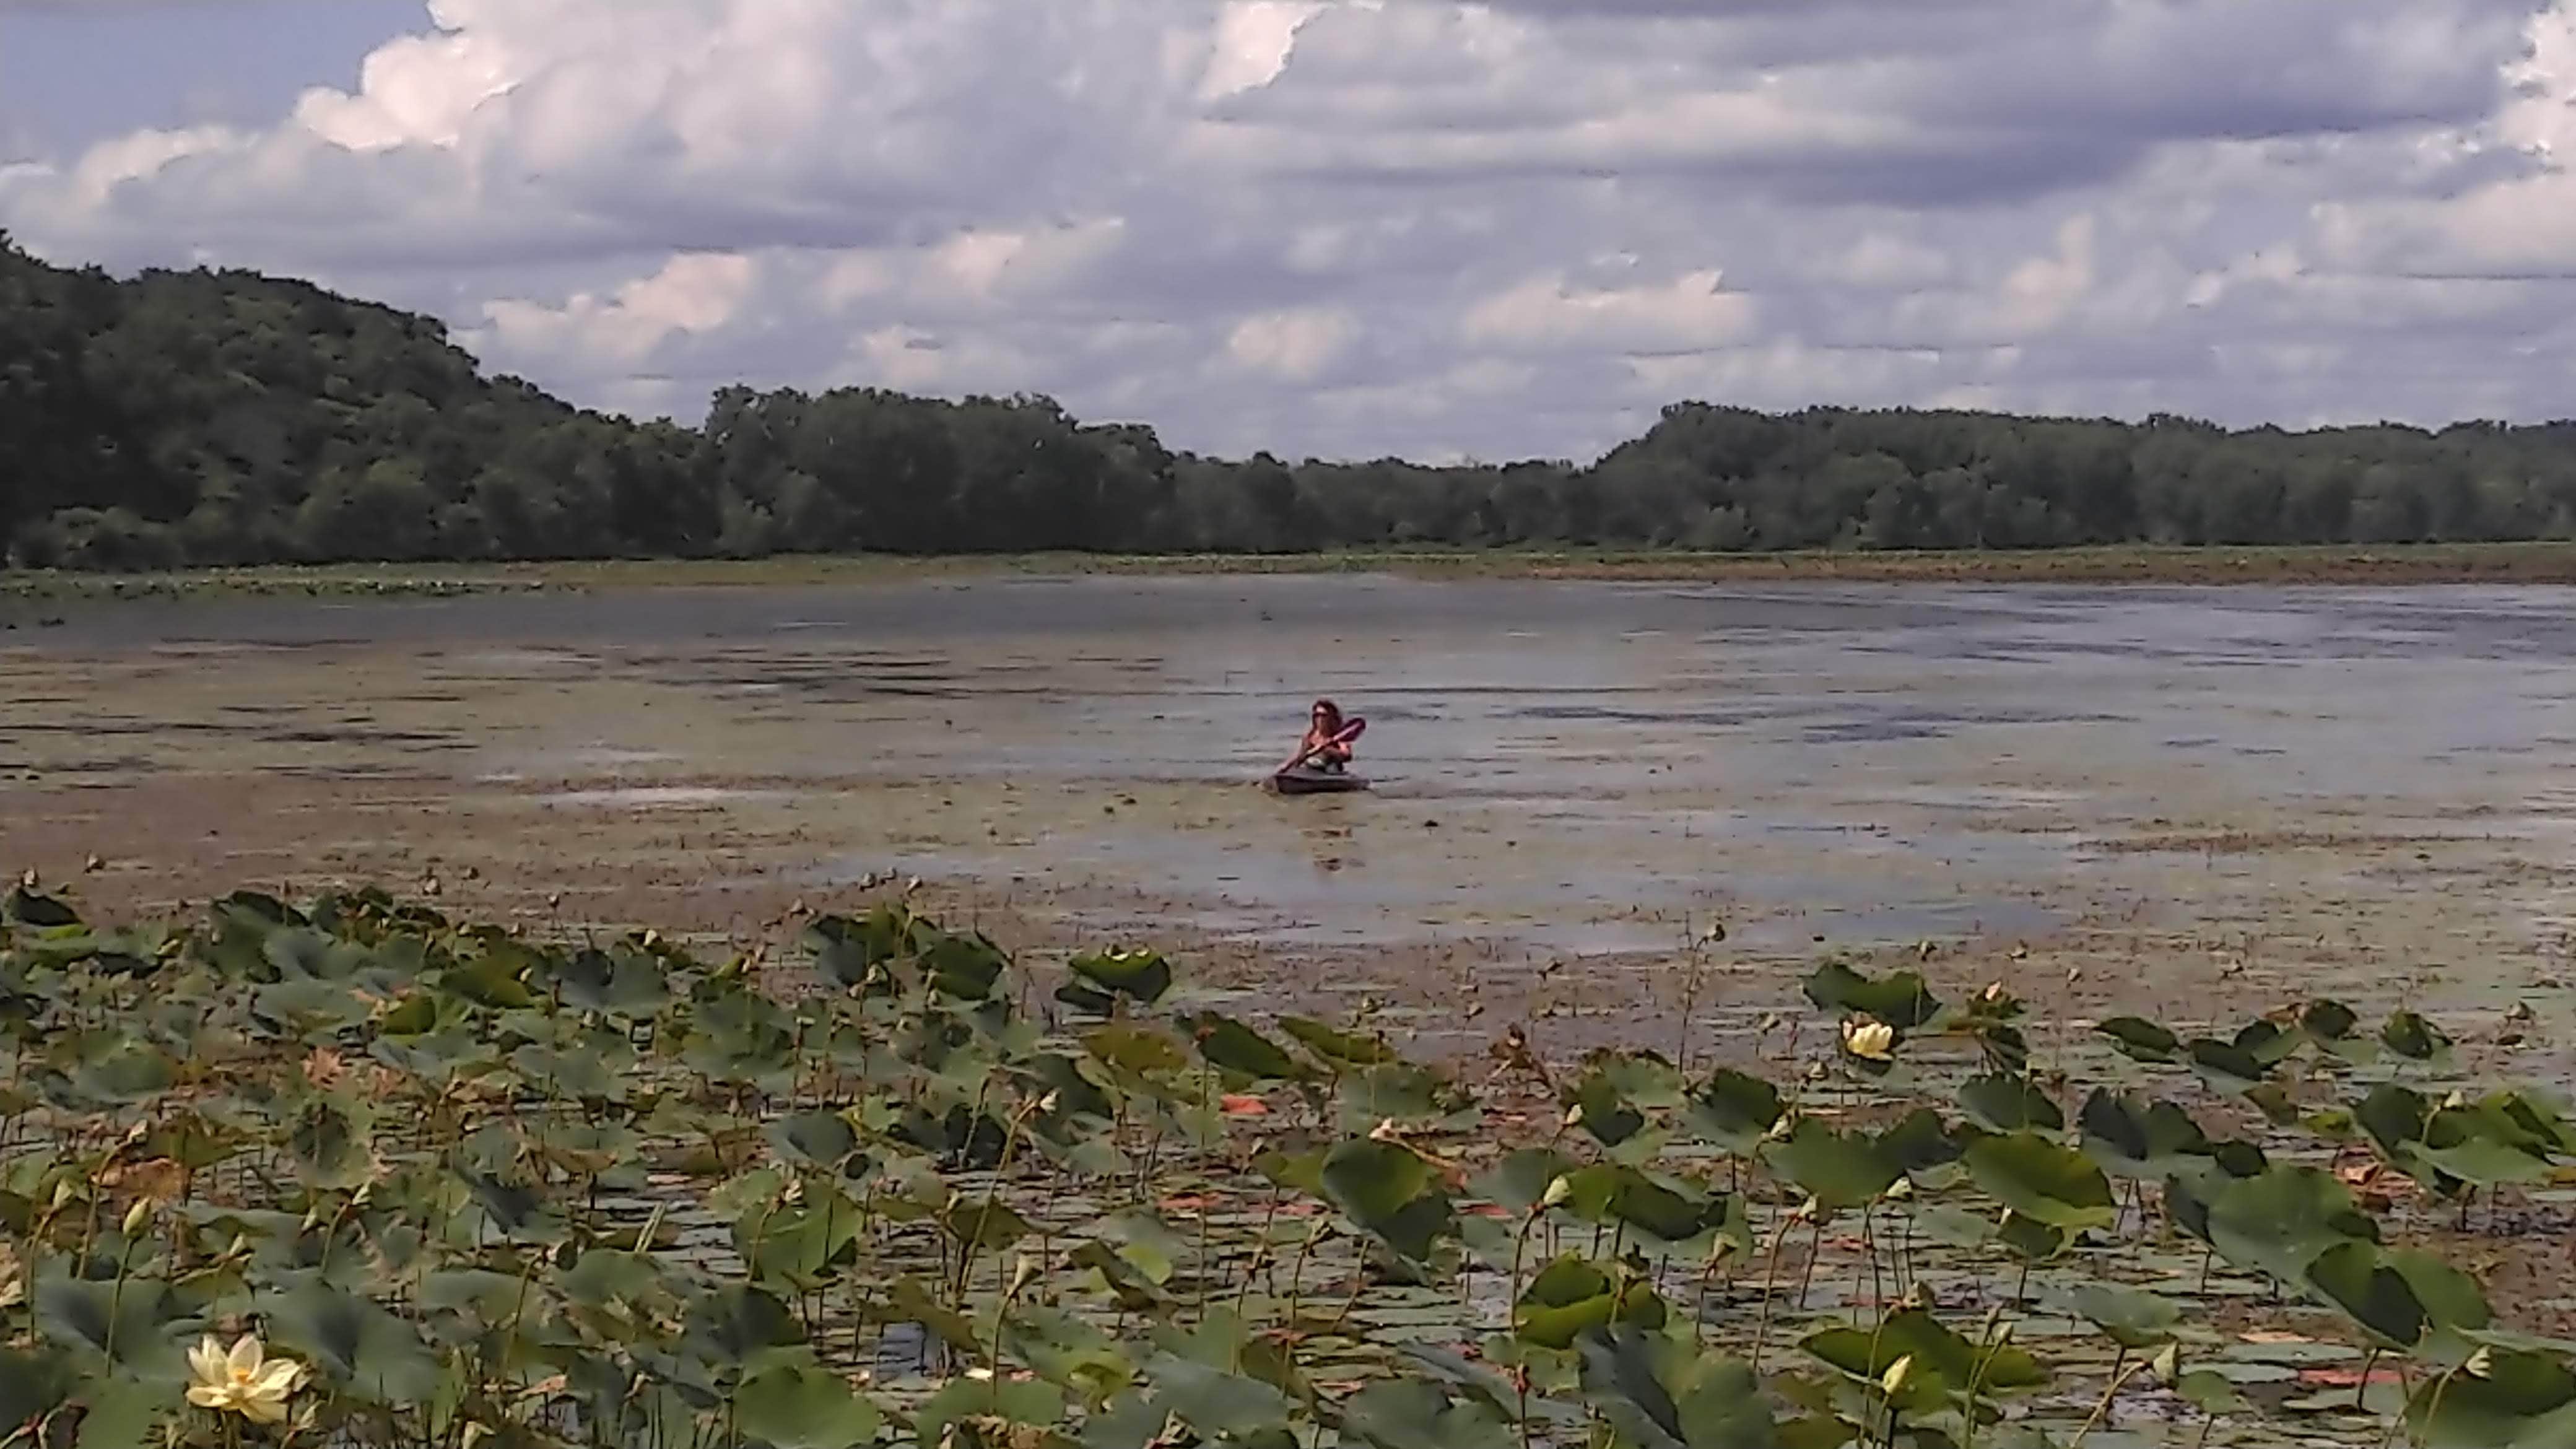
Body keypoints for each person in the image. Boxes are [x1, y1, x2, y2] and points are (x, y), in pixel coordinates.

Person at [1299, 698, 1353, 773]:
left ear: (1331, 717)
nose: (1320, 719)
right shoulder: (1309, 736)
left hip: (1331, 772)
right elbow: (1300, 758)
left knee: (1331, 767)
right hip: (1310, 771)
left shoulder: (1340, 737)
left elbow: (1347, 756)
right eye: (1317, 715)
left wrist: (1327, 749)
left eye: (1323, 715)